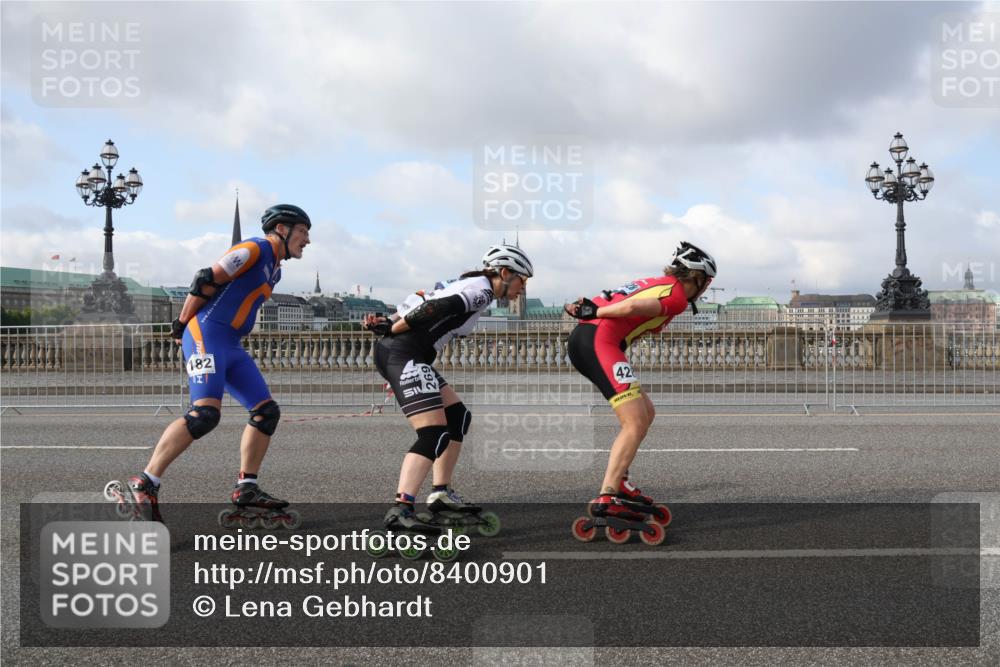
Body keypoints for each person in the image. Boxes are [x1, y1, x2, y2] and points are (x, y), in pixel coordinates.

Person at [105, 204, 311, 526]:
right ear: (282, 229)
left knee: (266, 412)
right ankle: (144, 484)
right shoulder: (254, 248)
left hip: (230, 343)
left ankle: (247, 488)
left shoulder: (276, 269)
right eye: (303, 231)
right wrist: (182, 323)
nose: (307, 240)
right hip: (207, 334)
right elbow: (205, 279)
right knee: (205, 415)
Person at [362, 243, 533, 535]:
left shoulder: (471, 284)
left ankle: (441, 494)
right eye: (522, 280)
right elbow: (434, 307)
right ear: (504, 273)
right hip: (403, 353)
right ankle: (401, 509)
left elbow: (421, 299)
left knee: (457, 418)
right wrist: (391, 329)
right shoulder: (481, 291)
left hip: (409, 353)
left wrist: (389, 321)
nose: (522, 288)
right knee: (433, 433)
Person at [564, 241, 717, 536]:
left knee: (646, 412)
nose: (707, 289)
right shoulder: (676, 296)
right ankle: (609, 493)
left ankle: (620, 480)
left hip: (593, 338)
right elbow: (633, 305)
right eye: (707, 283)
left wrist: (588, 307)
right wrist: (594, 310)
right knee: (634, 421)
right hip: (599, 342)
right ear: (697, 278)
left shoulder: (658, 283)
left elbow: (615, 297)